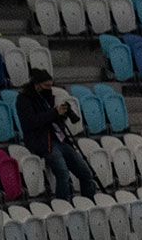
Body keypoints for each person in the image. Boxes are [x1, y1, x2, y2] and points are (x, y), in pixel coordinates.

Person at [18, 70, 101, 200]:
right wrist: (54, 112)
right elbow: (32, 122)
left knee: (85, 172)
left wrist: (62, 114)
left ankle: (90, 202)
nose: (49, 88)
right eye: (46, 85)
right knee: (63, 174)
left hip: (59, 139)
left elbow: (52, 119)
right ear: (36, 84)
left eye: (50, 85)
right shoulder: (24, 99)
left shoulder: (47, 96)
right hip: (43, 142)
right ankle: (63, 206)